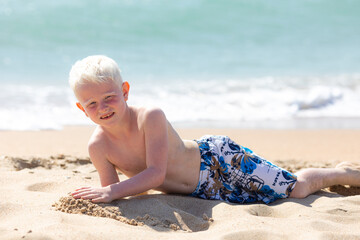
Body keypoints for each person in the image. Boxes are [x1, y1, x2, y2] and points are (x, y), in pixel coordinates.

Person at [69, 55, 360, 204]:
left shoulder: (150, 117)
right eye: (92, 104)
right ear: (82, 109)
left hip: (218, 159)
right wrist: (105, 193)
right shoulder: (99, 147)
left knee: (294, 190)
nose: (103, 108)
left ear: (125, 91)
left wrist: (111, 191)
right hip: (202, 192)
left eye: (109, 97)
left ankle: (340, 173)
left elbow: (155, 174)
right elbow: (112, 190)